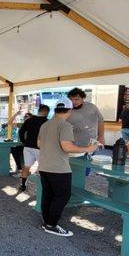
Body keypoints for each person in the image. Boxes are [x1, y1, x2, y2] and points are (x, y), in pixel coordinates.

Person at [37, 99, 98, 237]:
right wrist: (89, 148)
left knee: (48, 194)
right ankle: (51, 225)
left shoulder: (45, 125)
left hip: (44, 165)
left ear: (55, 110)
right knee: (62, 195)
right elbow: (67, 147)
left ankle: (47, 221)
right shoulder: (65, 126)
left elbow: (39, 144)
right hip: (59, 167)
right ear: (70, 111)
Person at [18, 105, 50, 192]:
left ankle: (23, 185)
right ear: (47, 112)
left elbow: (21, 132)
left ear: (38, 111)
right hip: (41, 148)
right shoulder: (47, 122)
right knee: (42, 168)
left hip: (28, 147)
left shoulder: (29, 120)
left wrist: (24, 141)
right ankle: (41, 188)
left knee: (26, 166)